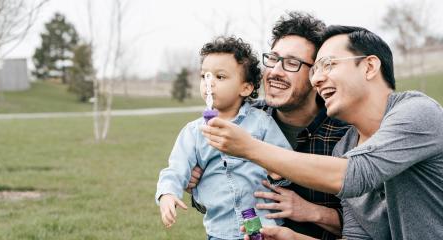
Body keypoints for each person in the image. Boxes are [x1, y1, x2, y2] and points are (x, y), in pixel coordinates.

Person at [202, 25, 443, 239]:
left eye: (328, 65)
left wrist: (250, 148)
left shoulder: (418, 112)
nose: (317, 79)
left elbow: (357, 174)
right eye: (315, 70)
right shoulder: (345, 148)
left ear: (369, 67)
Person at [188, 12, 349, 240]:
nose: (274, 72)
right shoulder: (243, 118)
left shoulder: (344, 134)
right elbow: (217, 202)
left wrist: (312, 212)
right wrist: (196, 182)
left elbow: (371, 228)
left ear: (317, 75)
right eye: (272, 59)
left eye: (292, 63)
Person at [155, 36, 292, 240]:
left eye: (219, 77)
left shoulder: (261, 123)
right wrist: (167, 193)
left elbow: (286, 160)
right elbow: (176, 169)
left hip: (263, 225)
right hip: (220, 230)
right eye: (204, 76)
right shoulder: (193, 132)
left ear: (245, 88)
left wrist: (277, 171)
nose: (209, 84)